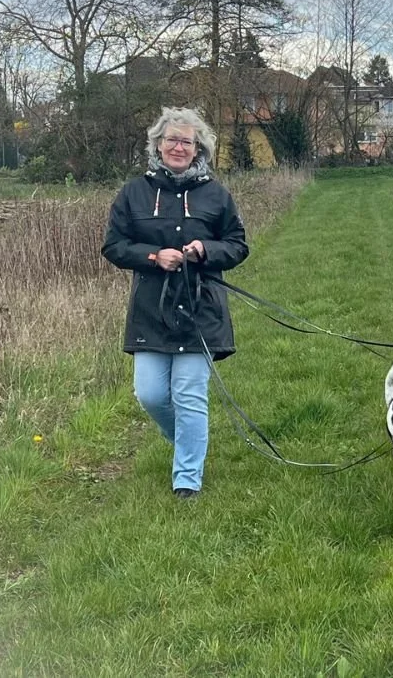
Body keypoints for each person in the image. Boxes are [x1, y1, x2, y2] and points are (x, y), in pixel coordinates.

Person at [102, 107, 249, 499]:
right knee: (149, 394)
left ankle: (187, 478)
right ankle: (185, 439)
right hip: (152, 310)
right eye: (172, 140)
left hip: (201, 309)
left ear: (198, 148)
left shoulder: (216, 195)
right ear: (158, 145)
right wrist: (153, 256)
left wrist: (205, 249)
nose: (179, 147)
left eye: (187, 141)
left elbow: (237, 245)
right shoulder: (134, 192)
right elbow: (114, 245)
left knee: (189, 393)